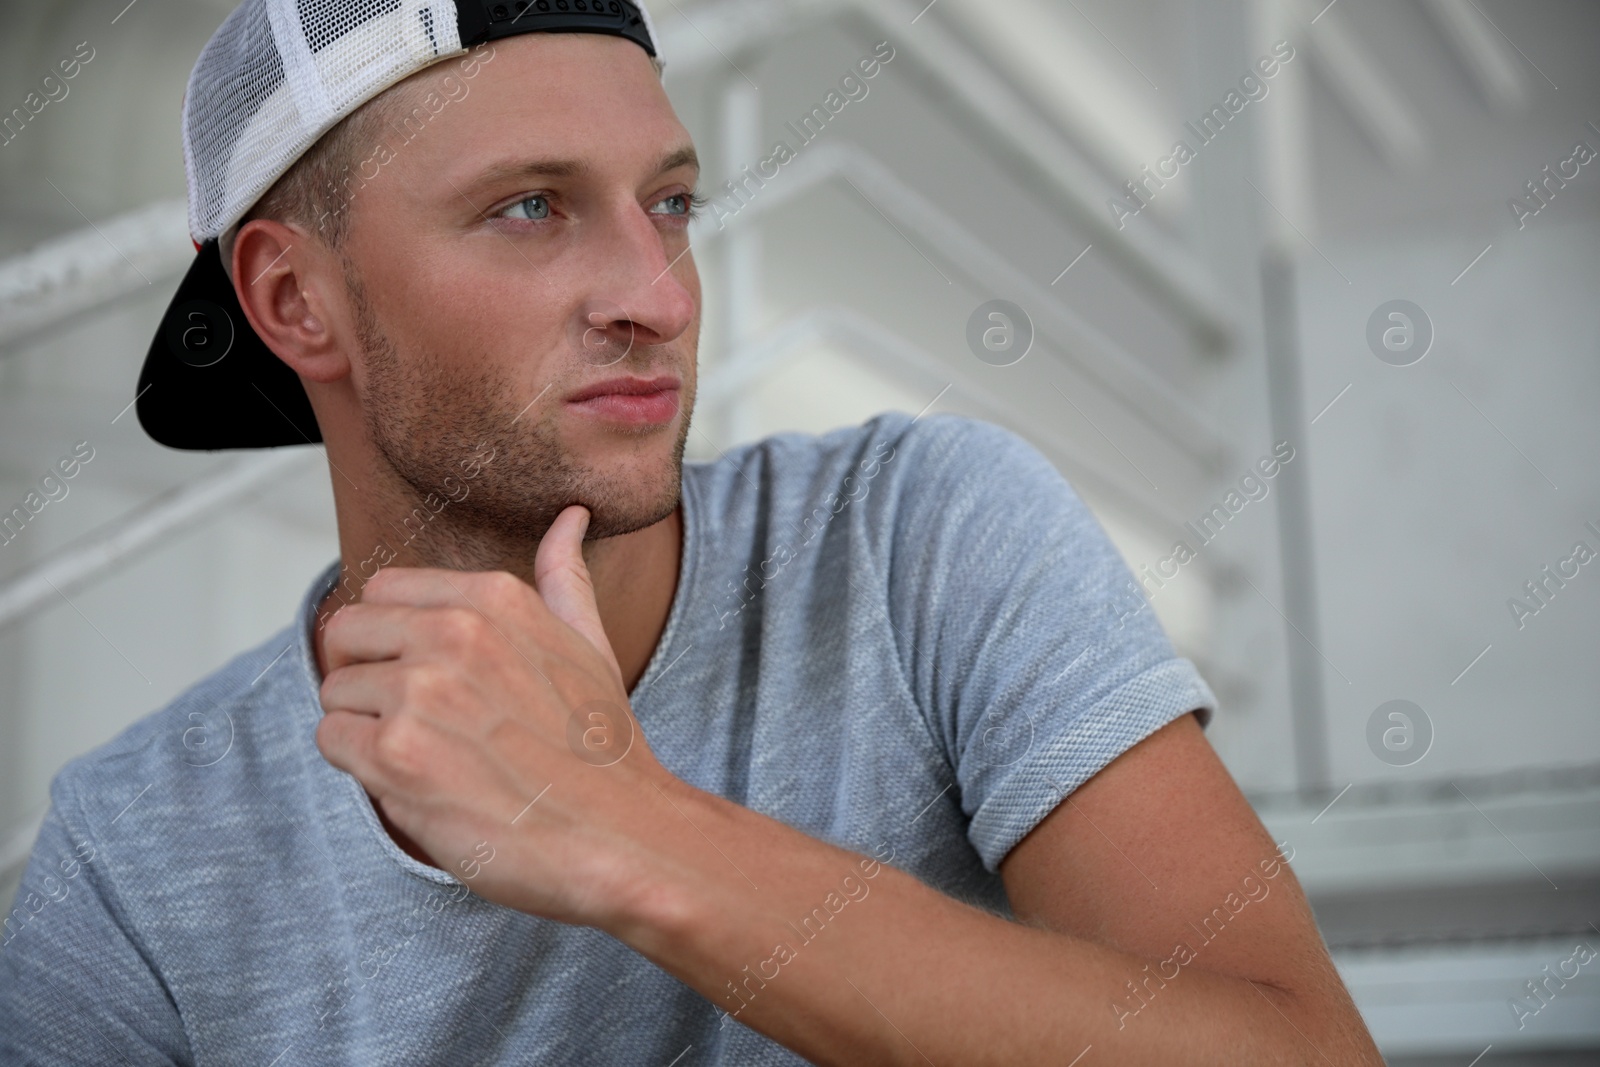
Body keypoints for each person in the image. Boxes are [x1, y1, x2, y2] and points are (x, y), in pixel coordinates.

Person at [0, 1, 1381, 1063]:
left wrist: (623, 823)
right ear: (295, 301)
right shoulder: (134, 854)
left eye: (670, 202)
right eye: (531, 208)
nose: (656, 292)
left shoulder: (919, 538)